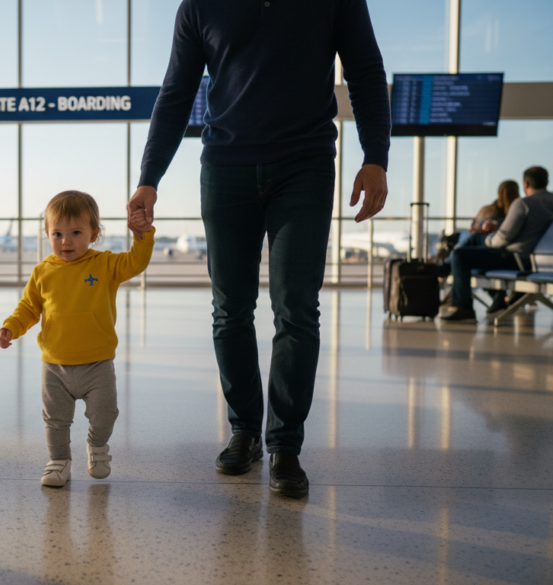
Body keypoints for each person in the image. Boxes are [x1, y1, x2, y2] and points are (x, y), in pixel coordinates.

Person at [126, 0, 392, 498]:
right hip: (225, 165)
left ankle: (285, 444)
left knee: (296, 307)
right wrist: (149, 179)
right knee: (230, 309)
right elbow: (177, 91)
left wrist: (375, 155)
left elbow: (366, 71)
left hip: (305, 164)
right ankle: (245, 430)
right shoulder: (199, 6)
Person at [0, 191, 154, 487]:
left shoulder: (105, 264)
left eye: (75, 232)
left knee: (105, 413)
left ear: (94, 234)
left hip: (97, 362)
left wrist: (142, 236)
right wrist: (11, 327)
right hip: (55, 364)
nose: (65, 241)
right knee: (55, 419)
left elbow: (136, 262)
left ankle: (97, 446)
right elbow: (29, 308)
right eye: (57, 234)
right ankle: (59, 461)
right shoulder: (43, 271)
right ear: (47, 234)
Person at [443, 166, 553, 322]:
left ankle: (463, 306)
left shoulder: (523, 204)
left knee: (459, 255)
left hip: (516, 259)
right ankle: (447, 266)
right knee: (471, 247)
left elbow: (502, 239)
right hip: (539, 260)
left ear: (526, 184)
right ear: (546, 181)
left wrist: (488, 238)